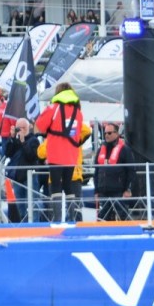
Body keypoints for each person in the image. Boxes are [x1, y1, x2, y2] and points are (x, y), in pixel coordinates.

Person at [33, 85, 90, 221]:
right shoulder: (78, 112)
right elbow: (79, 133)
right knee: (68, 186)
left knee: (56, 186)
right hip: (71, 154)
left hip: (55, 152)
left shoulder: (53, 108)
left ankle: (58, 219)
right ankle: (72, 218)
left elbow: (38, 127)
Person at [1, 117, 42, 223]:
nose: (21, 130)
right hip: (18, 178)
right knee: (20, 205)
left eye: (24, 127)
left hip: (30, 176)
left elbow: (31, 157)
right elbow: (8, 153)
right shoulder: (15, 140)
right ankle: (21, 225)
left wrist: (23, 142)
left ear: (28, 127)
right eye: (19, 128)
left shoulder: (34, 140)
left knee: (33, 203)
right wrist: (12, 137)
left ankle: (35, 225)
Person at [92, 121, 135, 219]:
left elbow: (131, 171)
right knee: (102, 218)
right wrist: (96, 191)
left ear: (116, 134)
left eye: (109, 133)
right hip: (103, 192)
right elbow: (96, 172)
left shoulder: (125, 150)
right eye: (105, 133)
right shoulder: (100, 150)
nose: (107, 135)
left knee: (122, 217)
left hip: (119, 192)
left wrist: (128, 189)